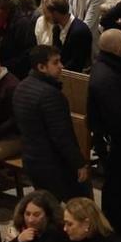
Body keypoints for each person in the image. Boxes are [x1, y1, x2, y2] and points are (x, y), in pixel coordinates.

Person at [16, 44, 88, 199]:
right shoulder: (50, 95)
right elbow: (62, 136)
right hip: (52, 165)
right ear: (41, 67)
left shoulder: (21, 87)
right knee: (78, 207)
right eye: (55, 63)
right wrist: (78, 163)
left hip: (31, 159)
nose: (61, 66)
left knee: (47, 206)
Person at [88, 28, 121, 237]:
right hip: (115, 139)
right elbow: (116, 115)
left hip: (115, 137)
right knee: (117, 186)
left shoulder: (105, 67)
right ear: (118, 47)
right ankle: (118, 229)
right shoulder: (106, 75)